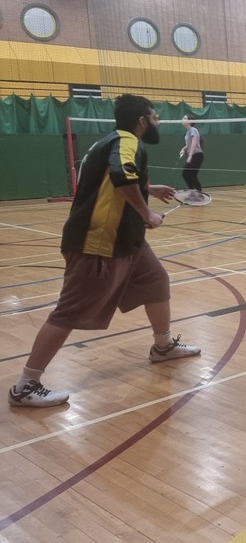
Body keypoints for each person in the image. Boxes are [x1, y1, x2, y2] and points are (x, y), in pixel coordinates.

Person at [8, 94, 201, 408]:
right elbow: (121, 176)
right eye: (155, 116)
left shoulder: (108, 142)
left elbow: (108, 180)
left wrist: (148, 189)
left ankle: (163, 346)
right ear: (142, 120)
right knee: (69, 311)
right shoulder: (128, 142)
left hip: (128, 243)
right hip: (98, 244)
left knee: (155, 282)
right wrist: (146, 213)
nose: (158, 122)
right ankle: (25, 385)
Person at [180, 115, 205, 196]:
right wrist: (184, 149)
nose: (182, 119)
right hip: (194, 155)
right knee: (186, 174)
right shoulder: (188, 131)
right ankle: (193, 193)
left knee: (192, 175)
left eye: (184, 118)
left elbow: (194, 142)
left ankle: (199, 195)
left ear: (189, 121)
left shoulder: (193, 130)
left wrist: (190, 155)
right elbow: (190, 144)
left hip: (197, 155)